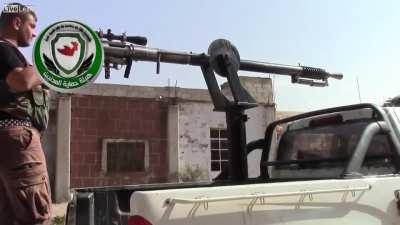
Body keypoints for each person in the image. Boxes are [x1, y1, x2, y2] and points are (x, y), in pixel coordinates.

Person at [0, 3, 52, 224]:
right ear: (17, 22)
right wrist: (55, 62)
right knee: (35, 213)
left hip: (11, 139)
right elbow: (22, 81)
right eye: (32, 25)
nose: (34, 32)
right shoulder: (3, 49)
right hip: (18, 138)